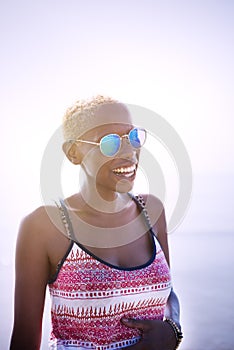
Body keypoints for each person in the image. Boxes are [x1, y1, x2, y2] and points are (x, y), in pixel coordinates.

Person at [10, 95, 183, 350]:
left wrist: (172, 330)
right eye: (109, 143)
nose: (129, 152)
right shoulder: (44, 226)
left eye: (133, 137)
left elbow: (168, 298)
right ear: (73, 153)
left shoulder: (151, 211)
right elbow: (24, 342)